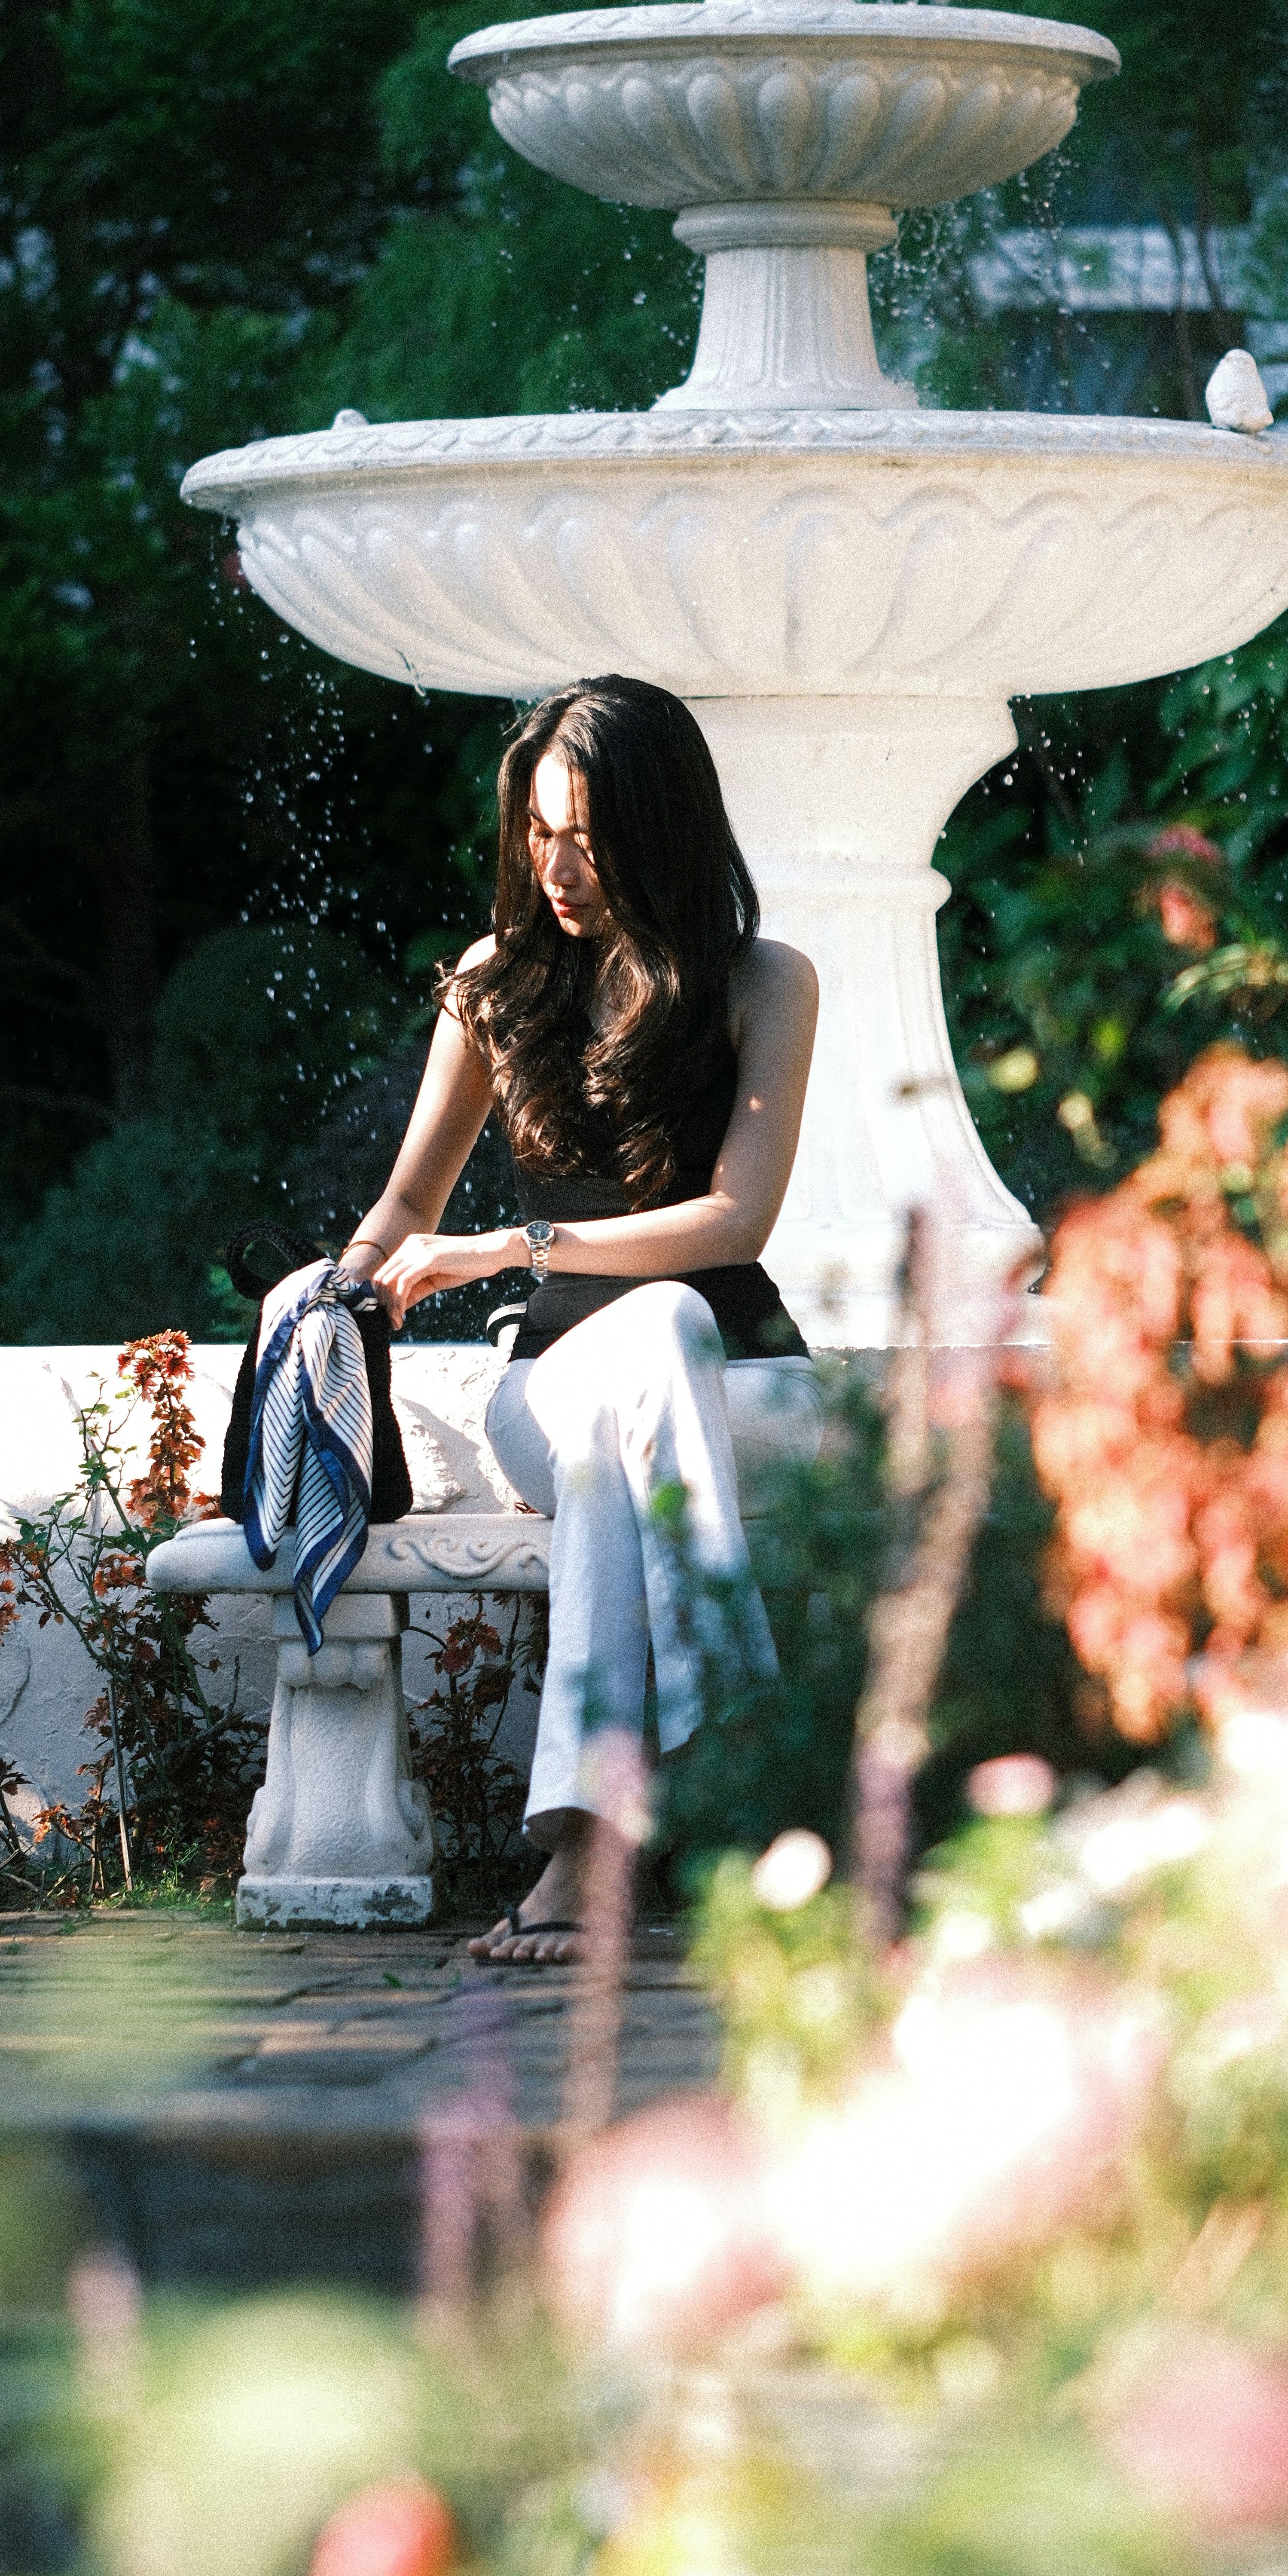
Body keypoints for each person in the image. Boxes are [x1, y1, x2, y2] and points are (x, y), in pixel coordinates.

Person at [339, 673, 822, 1963]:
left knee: (661, 1333)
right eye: (542, 832)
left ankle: (586, 1852)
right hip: (546, 1385)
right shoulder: (494, 983)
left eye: (592, 841)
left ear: (663, 831)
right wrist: (333, 1280)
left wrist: (511, 1246)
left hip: (744, 1389)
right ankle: (742, 1770)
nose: (558, 866)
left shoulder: (765, 981)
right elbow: (402, 1201)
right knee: (624, 1382)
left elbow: (736, 1225)